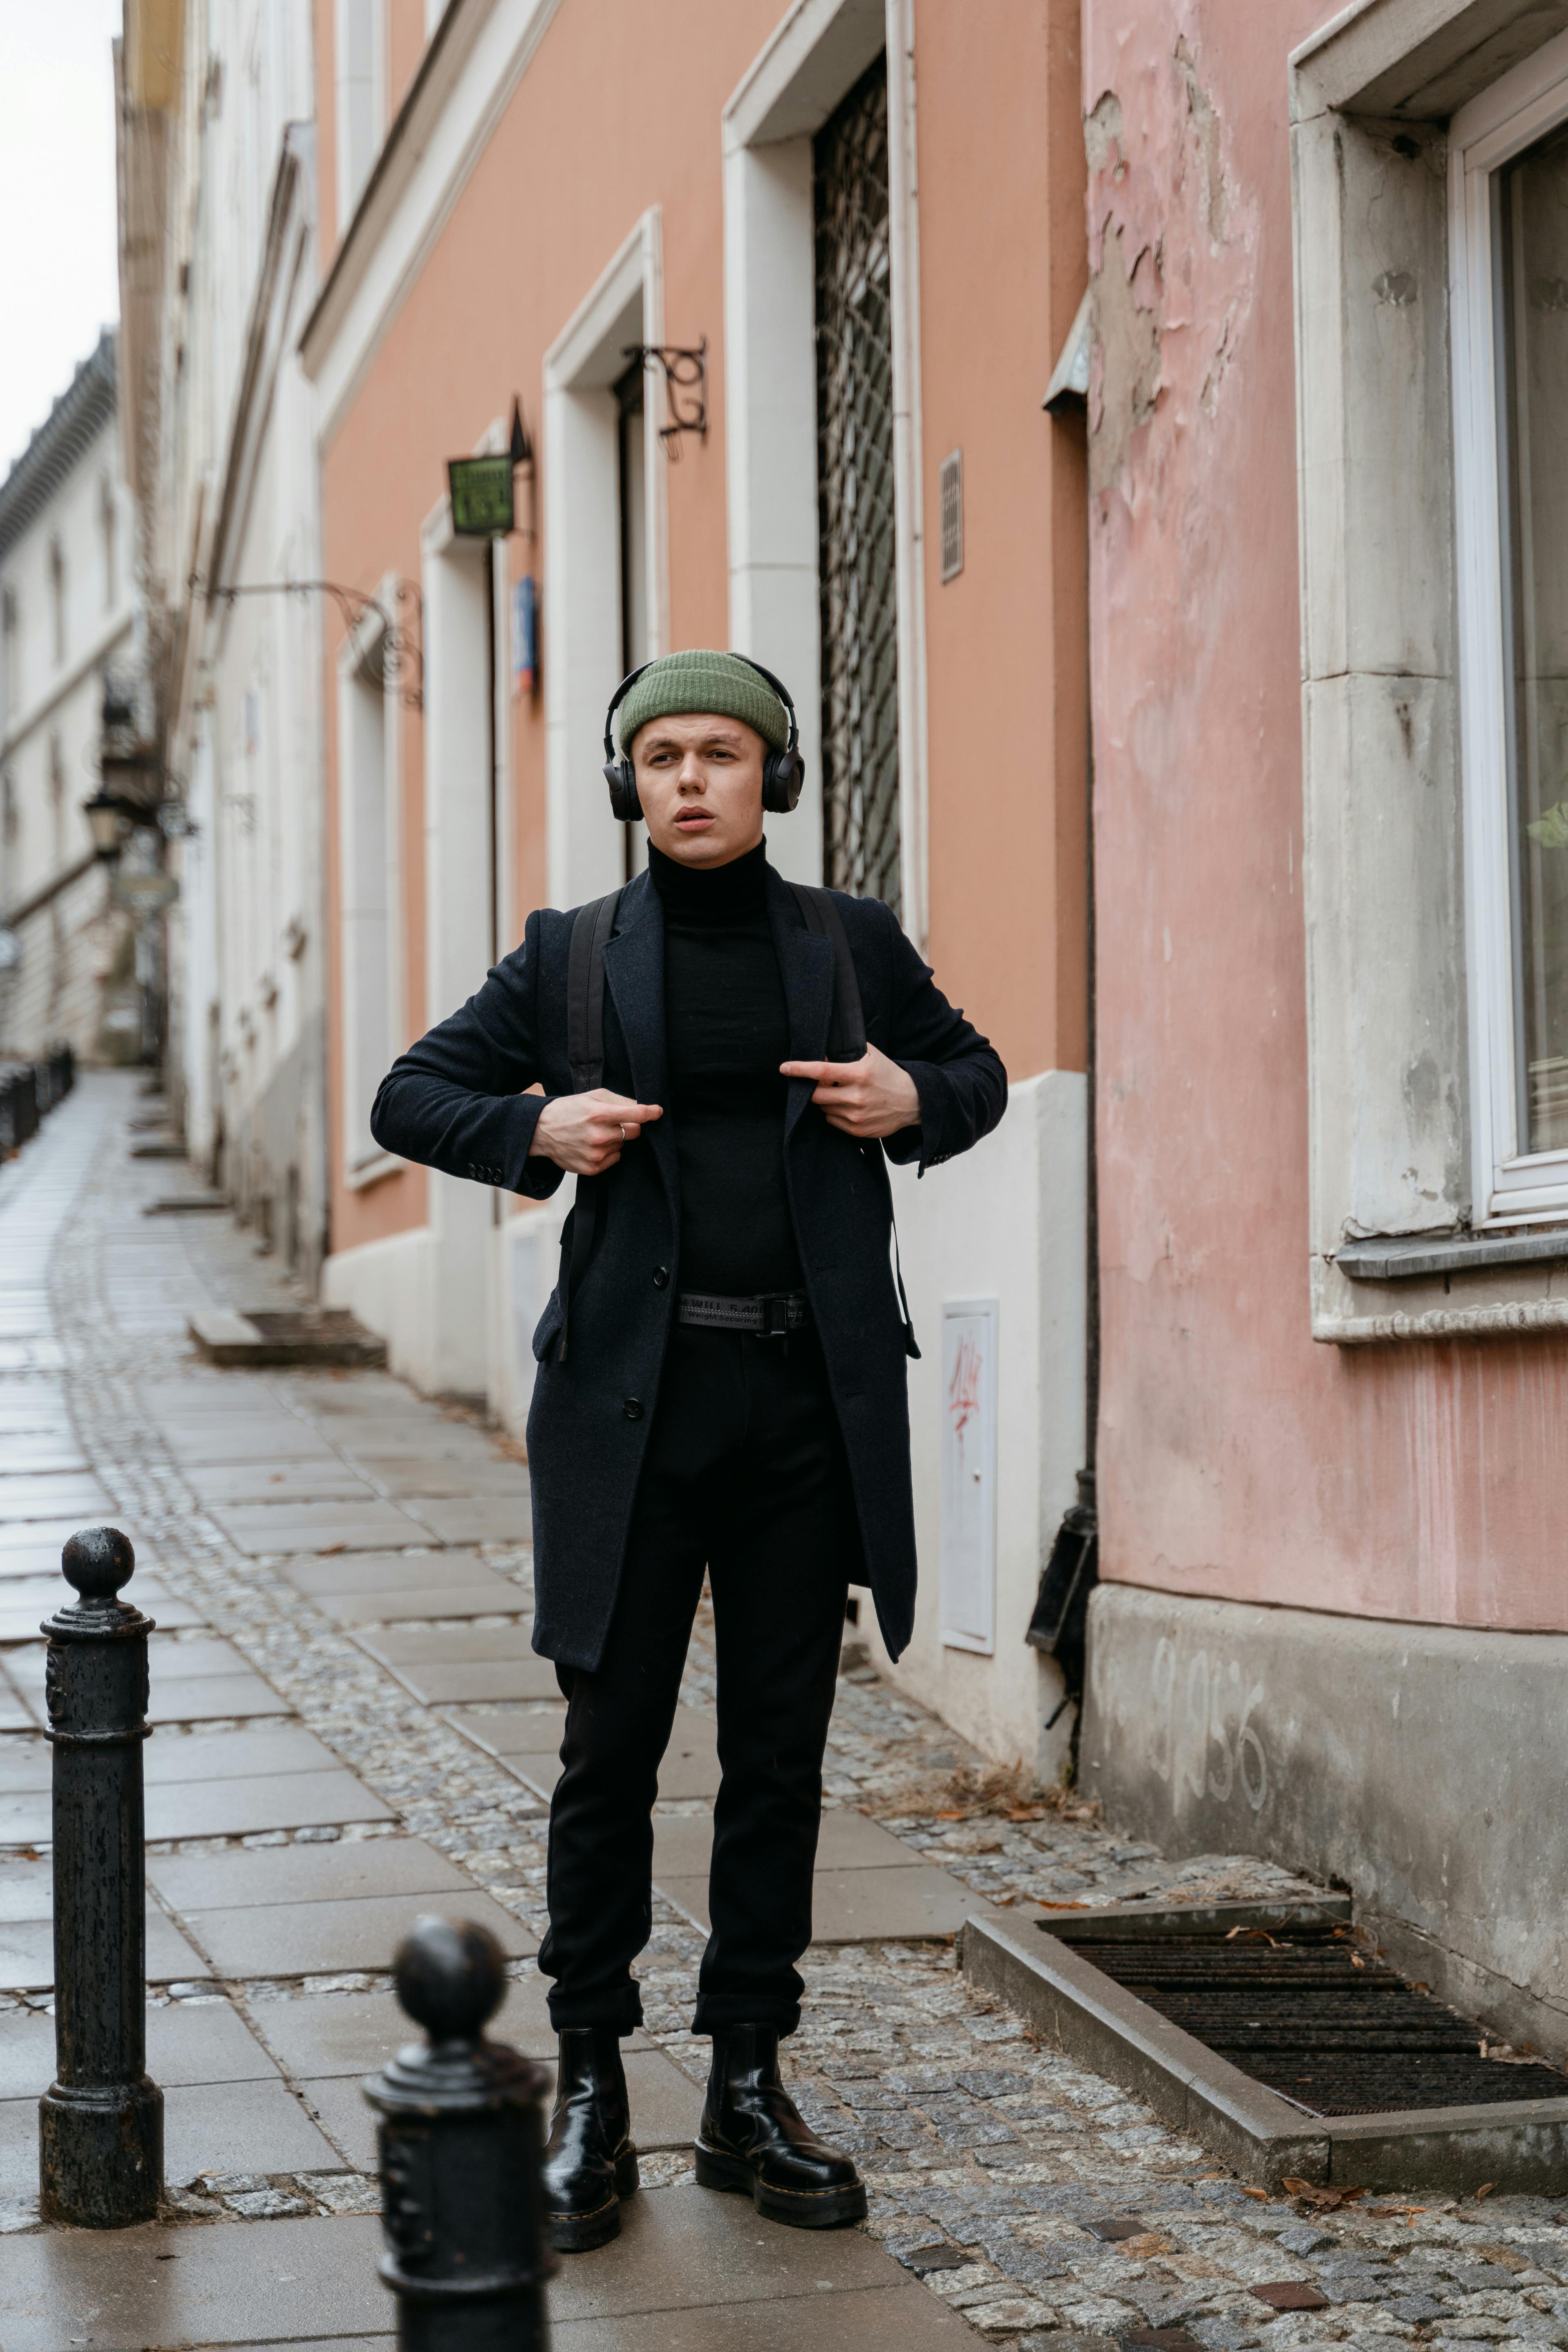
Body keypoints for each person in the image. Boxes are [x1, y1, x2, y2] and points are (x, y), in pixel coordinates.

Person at [371, 647, 1006, 2251]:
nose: (692, 779)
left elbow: (980, 1078)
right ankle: (590, 2082)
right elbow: (409, 1092)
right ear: (629, 783)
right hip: (630, 1418)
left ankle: (745, 2081)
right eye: (662, 757)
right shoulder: (573, 957)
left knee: (779, 1758)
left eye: (723, 752)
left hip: (804, 1409)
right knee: (611, 1753)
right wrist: (536, 1129)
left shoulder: (849, 945)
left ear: (771, 775)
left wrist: (904, 1091)